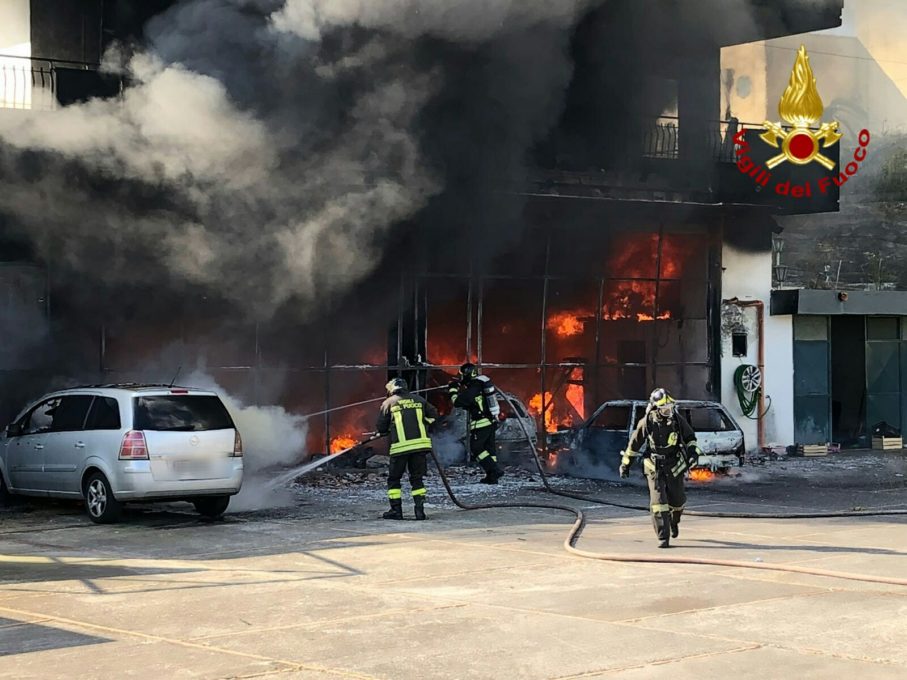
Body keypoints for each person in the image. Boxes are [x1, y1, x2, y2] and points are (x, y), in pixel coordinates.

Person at [619, 388, 702, 548]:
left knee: (677, 501)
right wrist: (625, 464)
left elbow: (690, 438)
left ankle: (674, 521)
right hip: (654, 466)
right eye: (665, 409)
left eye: (670, 408)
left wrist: (693, 453)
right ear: (656, 408)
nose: (669, 412)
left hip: (674, 465)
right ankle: (663, 536)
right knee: (658, 502)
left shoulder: (677, 420)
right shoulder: (647, 422)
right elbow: (633, 445)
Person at [376, 377, 438, 520]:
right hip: (420, 447)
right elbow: (434, 415)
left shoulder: (388, 403)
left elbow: (381, 427)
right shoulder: (419, 400)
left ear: (391, 389)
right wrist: (424, 422)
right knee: (417, 479)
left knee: (394, 479)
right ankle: (420, 511)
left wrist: (384, 431)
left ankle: (396, 511)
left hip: (400, 448)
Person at [448, 362, 504, 484]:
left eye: (462, 375)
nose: (461, 377)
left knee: (476, 448)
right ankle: (492, 477)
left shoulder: (474, 386)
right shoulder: (480, 384)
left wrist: (453, 389)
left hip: (481, 423)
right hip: (490, 421)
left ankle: (494, 470)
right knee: (490, 450)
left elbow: (458, 402)